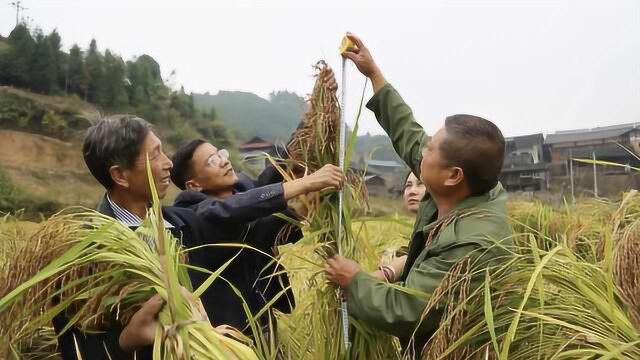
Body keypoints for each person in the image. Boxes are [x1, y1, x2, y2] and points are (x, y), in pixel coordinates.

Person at [325, 33, 512, 357]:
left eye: (429, 149)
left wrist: (354, 280)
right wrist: (374, 73)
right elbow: (409, 134)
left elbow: (409, 311)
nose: (421, 151)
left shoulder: (472, 243)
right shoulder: (466, 185)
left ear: (453, 176)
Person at [53, 115, 211, 360]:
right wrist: (126, 341)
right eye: (156, 155)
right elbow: (75, 348)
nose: (169, 163)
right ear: (121, 176)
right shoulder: (83, 252)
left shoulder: (185, 225)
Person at [170, 138, 344, 338]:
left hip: (263, 317)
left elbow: (269, 181)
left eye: (221, 154)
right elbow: (245, 221)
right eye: (211, 161)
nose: (224, 161)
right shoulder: (193, 213)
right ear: (194, 185)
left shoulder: (243, 189)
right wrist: (305, 185)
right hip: (228, 331)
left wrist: (310, 127)